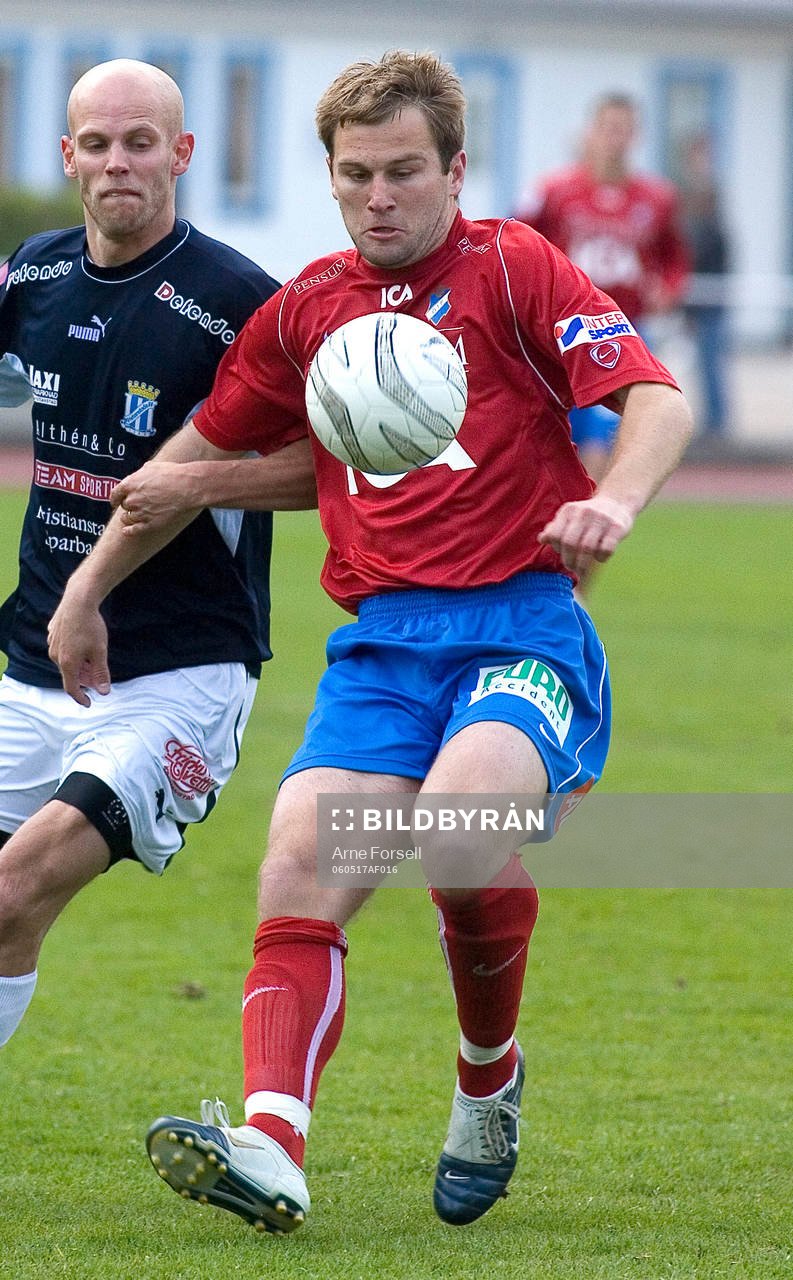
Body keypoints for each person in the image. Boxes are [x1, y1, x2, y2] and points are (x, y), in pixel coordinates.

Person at [48, 51, 693, 1234]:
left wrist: (617, 501)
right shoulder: (306, 309)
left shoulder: (512, 266)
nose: (380, 196)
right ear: (332, 178)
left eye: (405, 171)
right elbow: (184, 472)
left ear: (454, 168)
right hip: (384, 645)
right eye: (356, 175)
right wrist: (84, 590)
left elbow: (657, 398)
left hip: (522, 626)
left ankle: (487, 1076)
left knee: (455, 833)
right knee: (296, 856)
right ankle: (273, 1142)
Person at [0, 59, 316, 1050]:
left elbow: (331, 464)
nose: (117, 162)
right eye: (96, 144)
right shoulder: (35, 273)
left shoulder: (239, 303)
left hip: (177, 671)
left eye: (141, 143)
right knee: (7, 913)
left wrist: (196, 481)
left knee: (16, 881)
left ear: (180, 154)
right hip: (32, 660)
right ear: (68, 157)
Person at [513, 93, 690, 488]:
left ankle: (588, 514)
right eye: (608, 129)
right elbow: (516, 242)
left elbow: (675, 257)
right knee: (557, 428)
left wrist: (670, 288)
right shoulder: (554, 191)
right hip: (562, 327)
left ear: (636, 136)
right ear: (591, 132)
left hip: (621, 328)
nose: (615, 139)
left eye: (624, 130)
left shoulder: (657, 197)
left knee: (604, 430)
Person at [680, 132, 731, 439]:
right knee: (702, 360)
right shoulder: (691, 206)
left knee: (711, 358)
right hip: (698, 298)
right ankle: (713, 419)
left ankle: (716, 421)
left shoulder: (710, 214)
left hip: (710, 298)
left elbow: (708, 257)